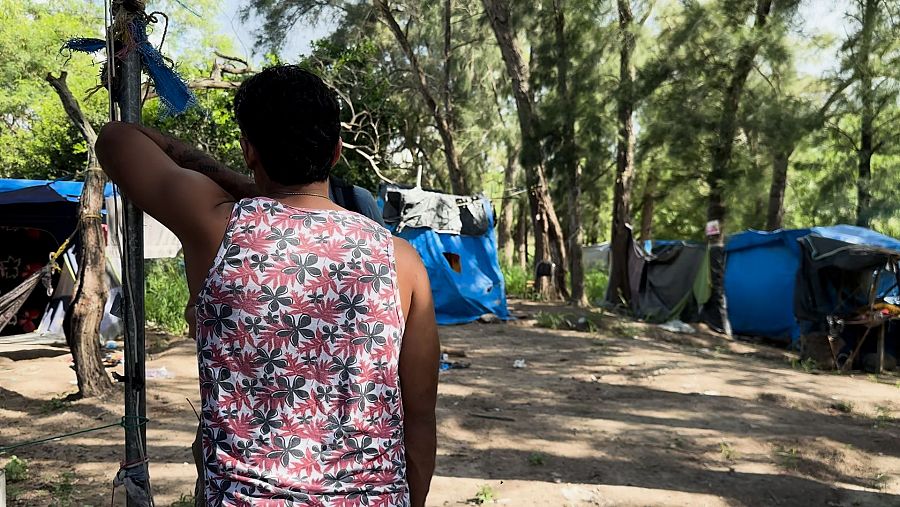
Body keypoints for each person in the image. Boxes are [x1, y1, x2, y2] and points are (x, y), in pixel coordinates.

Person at [97, 64, 439, 506]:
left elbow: (117, 139)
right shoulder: (403, 261)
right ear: (336, 152)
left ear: (249, 150)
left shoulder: (219, 227)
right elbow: (420, 416)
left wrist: (245, 186)